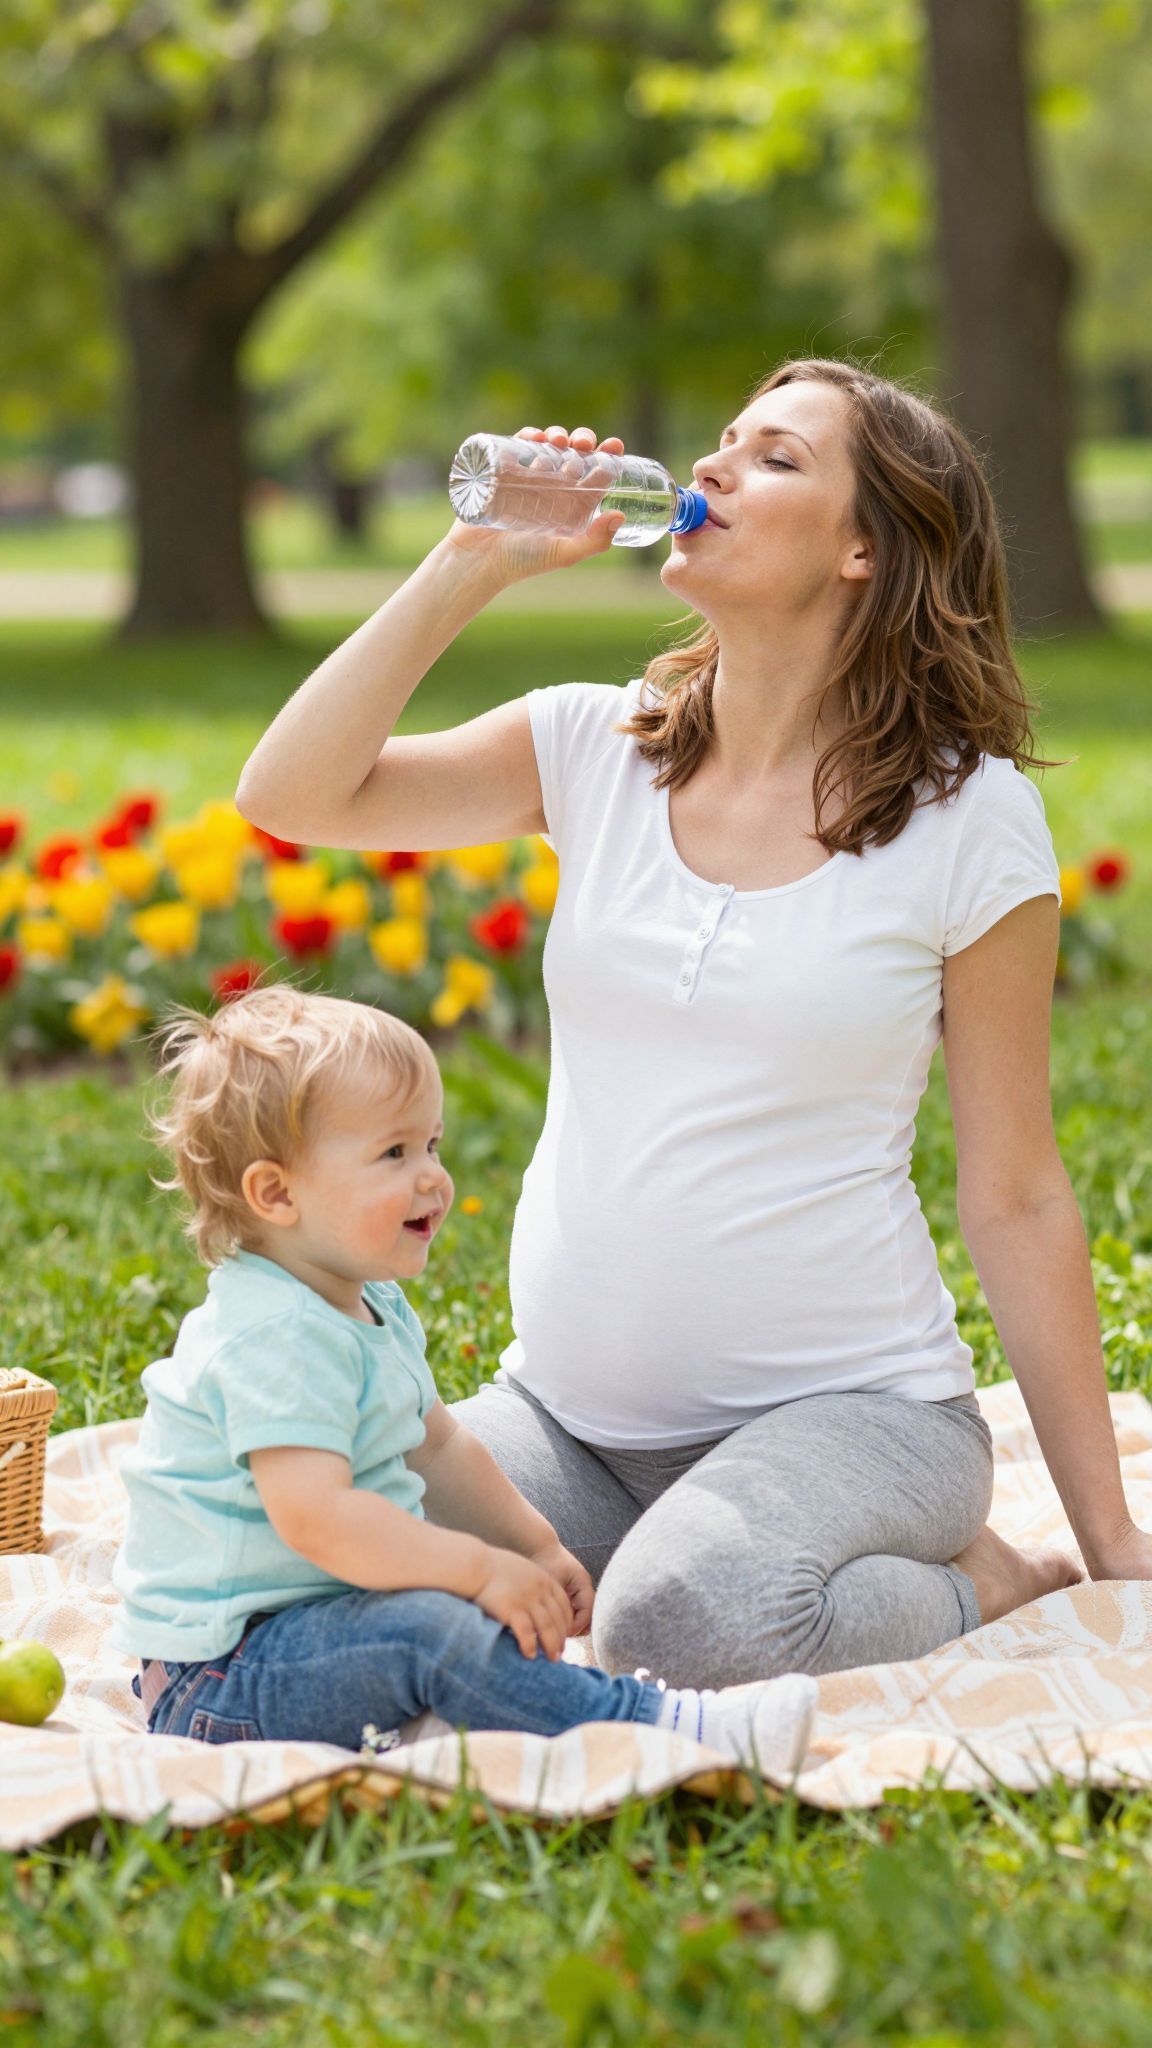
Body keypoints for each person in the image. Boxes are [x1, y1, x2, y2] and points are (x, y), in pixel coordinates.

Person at [235, 357, 1152, 1692]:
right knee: (322, 1555)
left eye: (775, 457)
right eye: (721, 441)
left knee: (688, 1626)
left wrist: (1110, 1533)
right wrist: (472, 562)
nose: (714, 469)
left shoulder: (969, 818)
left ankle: (979, 1579)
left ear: (864, 551)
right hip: (574, 1422)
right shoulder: (595, 747)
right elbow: (294, 792)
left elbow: (1014, 1191)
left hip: (855, 1416)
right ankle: (681, 1548)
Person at [110, 986, 818, 1772]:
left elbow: (439, 1447)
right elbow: (319, 1519)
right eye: (394, 1154)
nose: (433, 1178)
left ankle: (464, 1715)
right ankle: (660, 1730)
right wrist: (478, 1568)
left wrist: (533, 1545)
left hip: (318, 1629)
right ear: (276, 1193)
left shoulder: (366, 1301)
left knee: (440, 1602)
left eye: (432, 1146)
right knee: (436, 1624)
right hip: (224, 1680)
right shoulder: (274, 1336)